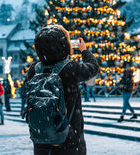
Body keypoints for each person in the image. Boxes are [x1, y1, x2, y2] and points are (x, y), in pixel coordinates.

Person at [27, 25, 99, 155]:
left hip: (41, 140)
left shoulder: (33, 70)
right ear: (63, 45)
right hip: (68, 140)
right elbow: (93, 67)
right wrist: (84, 51)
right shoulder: (70, 69)